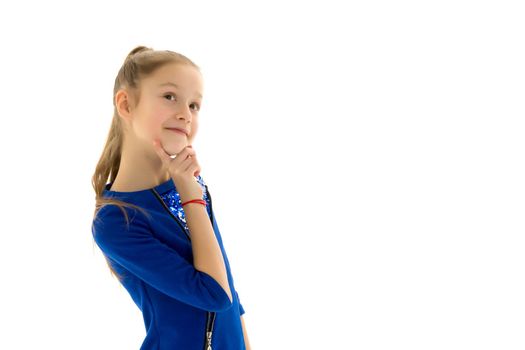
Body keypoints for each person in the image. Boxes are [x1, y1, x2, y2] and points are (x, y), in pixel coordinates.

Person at [91, 45, 251, 350]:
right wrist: (191, 198)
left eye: (194, 105)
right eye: (169, 97)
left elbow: (228, 286)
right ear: (126, 105)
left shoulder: (190, 185)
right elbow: (215, 294)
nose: (185, 114)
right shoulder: (116, 220)